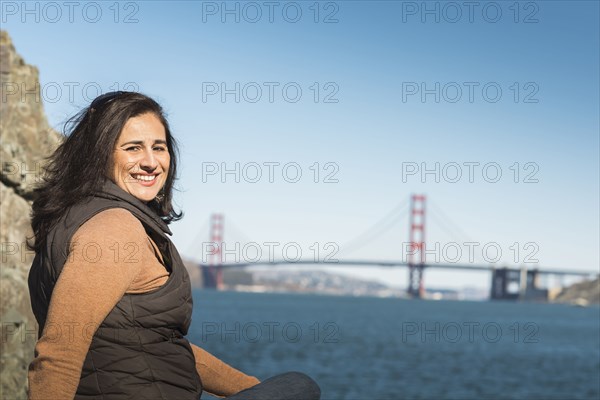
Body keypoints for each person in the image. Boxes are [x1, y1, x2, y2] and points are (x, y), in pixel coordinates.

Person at [27, 91, 321, 400]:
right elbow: (58, 352)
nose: (151, 162)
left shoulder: (74, 220)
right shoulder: (115, 228)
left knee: (289, 388)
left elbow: (156, 344)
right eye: (133, 148)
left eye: (159, 147)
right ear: (99, 154)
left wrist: (251, 390)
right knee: (302, 386)